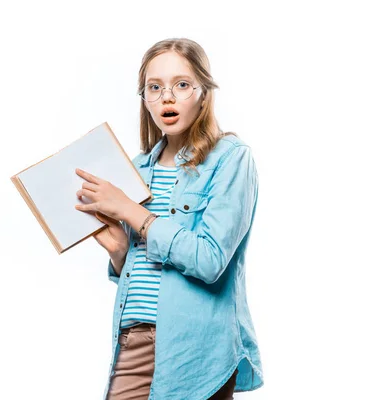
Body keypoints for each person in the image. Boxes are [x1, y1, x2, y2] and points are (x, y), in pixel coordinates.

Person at [74, 38, 264, 400]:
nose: (167, 97)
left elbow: (210, 261)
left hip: (197, 348)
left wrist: (133, 212)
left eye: (181, 85)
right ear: (144, 99)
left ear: (204, 93)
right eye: (154, 87)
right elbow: (141, 269)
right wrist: (119, 253)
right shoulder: (136, 169)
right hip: (133, 339)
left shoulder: (230, 159)